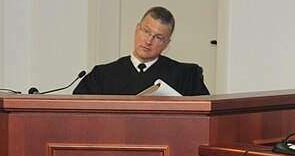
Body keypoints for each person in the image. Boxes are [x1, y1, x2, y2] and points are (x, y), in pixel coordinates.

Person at [73, 6, 209, 96]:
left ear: (167, 44)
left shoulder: (186, 76)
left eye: (158, 37)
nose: (148, 41)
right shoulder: (102, 76)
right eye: (146, 31)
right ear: (137, 29)